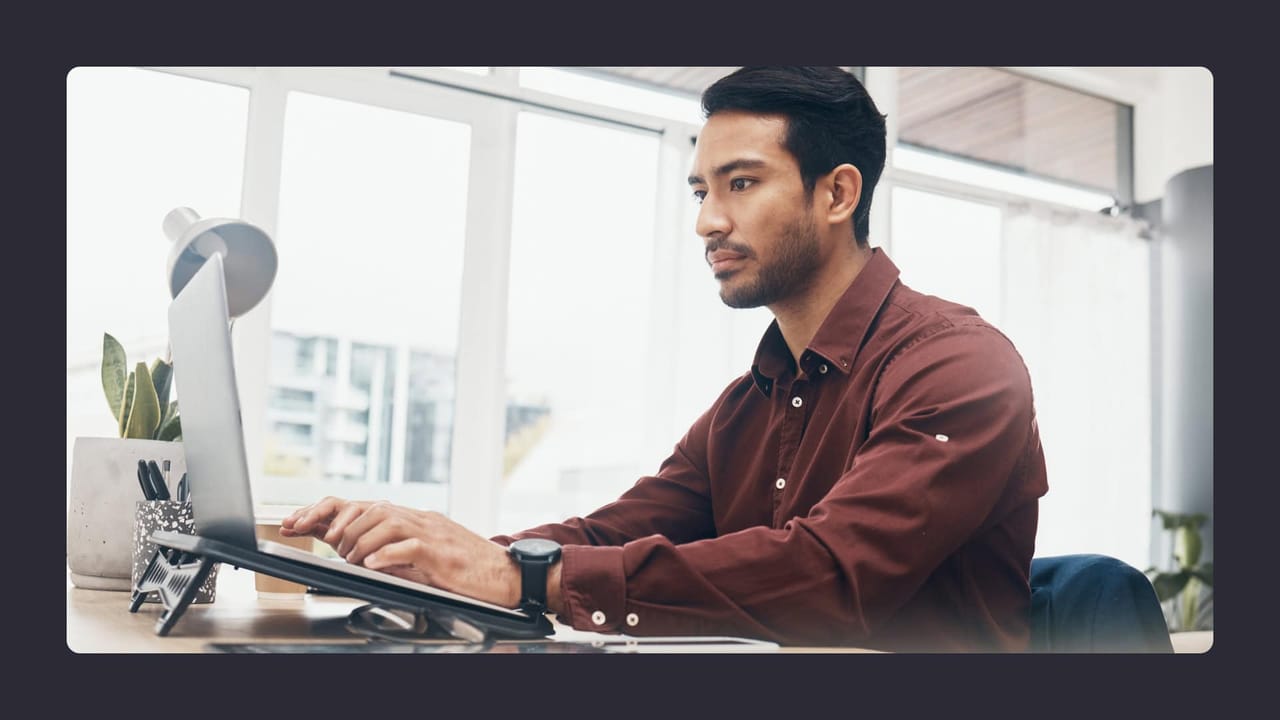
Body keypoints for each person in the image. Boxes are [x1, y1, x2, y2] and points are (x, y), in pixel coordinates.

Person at [281, 66, 1049, 652]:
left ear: (838, 193)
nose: (708, 222)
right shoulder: (750, 403)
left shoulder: (959, 368)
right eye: (699, 192)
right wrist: (440, 551)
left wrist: (519, 577)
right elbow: (616, 534)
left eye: (741, 184)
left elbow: (833, 576)